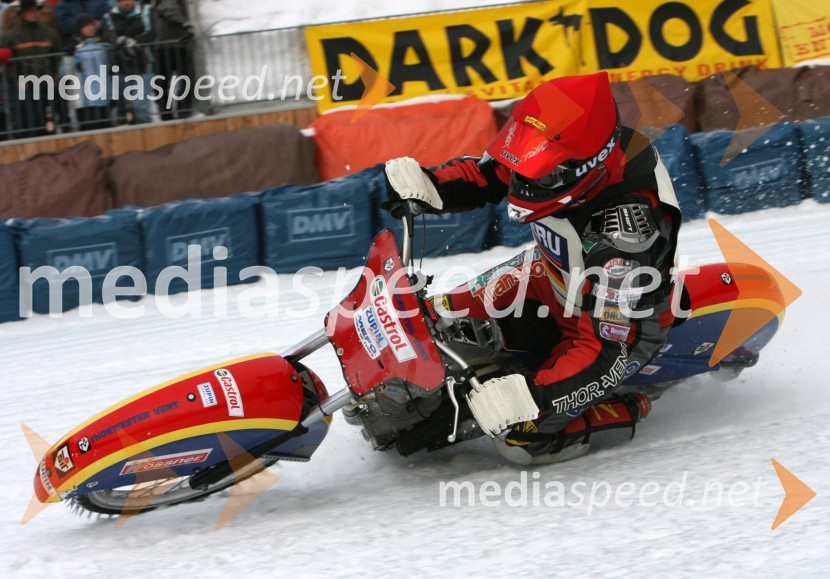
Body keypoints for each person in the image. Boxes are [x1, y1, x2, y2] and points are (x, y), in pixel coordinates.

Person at [383, 72, 683, 465]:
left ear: (587, 168)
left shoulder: (623, 238)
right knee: (431, 315)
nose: (523, 183)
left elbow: (604, 349)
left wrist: (535, 397)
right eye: (526, 164)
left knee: (519, 436)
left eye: (542, 173)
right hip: (549, 273)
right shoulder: (564, 149)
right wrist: (430, 185)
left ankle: (625, 407)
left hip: (616, 324)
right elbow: (493, 173)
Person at [0, 0, 61, 138]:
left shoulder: (49, 34)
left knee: (48, 122)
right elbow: (8, 63)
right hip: (24, 87)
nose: (34, 13)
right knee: (27, 123)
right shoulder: (11, 37)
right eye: (30, 10)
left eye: (35, 10)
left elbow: (56, 56)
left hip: (45, 84)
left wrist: (53, 73)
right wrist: (17, 80)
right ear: (22, 14)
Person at [100, 0, 154, 124]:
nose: (126, 3)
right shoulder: (109, 17)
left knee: (140, 107)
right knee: (124, 110)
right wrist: (119, 41)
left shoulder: (146, 11)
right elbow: (107, 37)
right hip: (120, 68)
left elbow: (152, 32)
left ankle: (146, 131)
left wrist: (136, 42)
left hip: (143, 65)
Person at [152, 0, 194, 120]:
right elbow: (168, 9)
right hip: (168, 47)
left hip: (176, 45)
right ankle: (171, 114)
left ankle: (179, 112)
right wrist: (185, 23)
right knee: (165, 83)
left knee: (183, 81)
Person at [72, 12, 112, 130]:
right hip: (86, 99)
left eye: (91, 25)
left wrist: (111, 92)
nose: (90, 28)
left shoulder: (103, 46)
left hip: (103, 96)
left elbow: (108, 70)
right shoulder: (76, 50)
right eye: (86, 26)